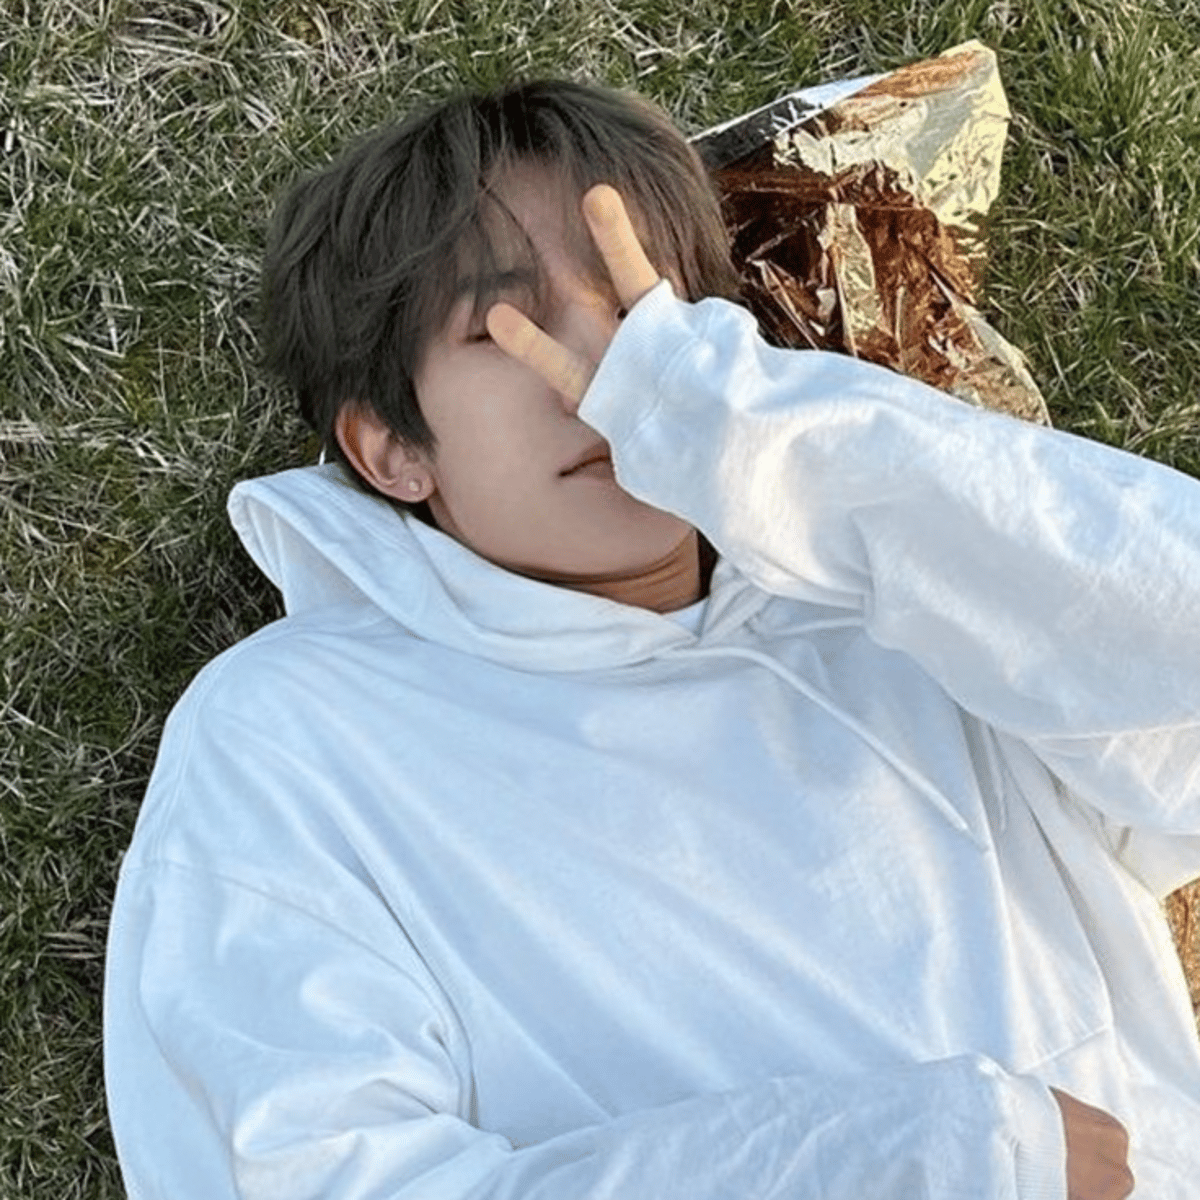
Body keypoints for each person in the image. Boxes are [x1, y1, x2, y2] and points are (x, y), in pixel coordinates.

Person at [103, 79, 1200, 1199]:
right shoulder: (289, 738)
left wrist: (754, 436)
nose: (599, 374)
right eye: (505, 325)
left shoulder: (911, 603)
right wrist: (933, 1162)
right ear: (392, 449)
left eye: (639, 307)